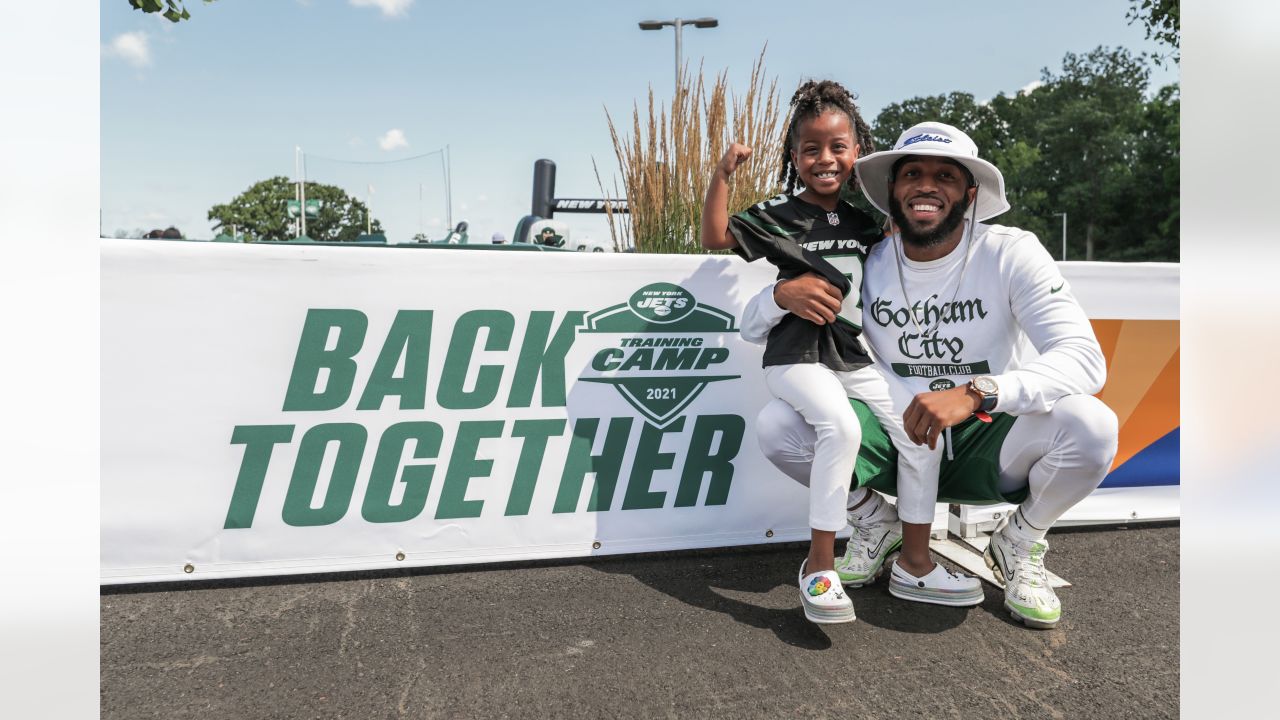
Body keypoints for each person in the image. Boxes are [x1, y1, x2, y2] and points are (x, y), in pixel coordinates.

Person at [742, 121, 1119, 628]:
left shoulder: (1011, 251)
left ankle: (1019, 541)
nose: (926, 186)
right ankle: (877, 524)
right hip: (901, 437)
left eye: (945, 175)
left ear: (969, 193)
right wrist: (777, 296)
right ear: (892, 191)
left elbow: (1083, 357)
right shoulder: (866, 261)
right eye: (911, 174)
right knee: (778, 425)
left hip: (989, 437)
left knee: (1091, 425)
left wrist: (980, 392)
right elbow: (765, 312)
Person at [701, 81, 980, 624]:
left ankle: (915, 560)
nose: (824, 159)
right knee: (841, 429)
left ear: (857, 152)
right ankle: (820, 565)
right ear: (793, 157)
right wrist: (722, 175)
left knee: (920, 430)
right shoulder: (780, 212)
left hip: (851, 357)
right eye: (810, 149)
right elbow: (715, 238)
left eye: (837, 147)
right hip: (796, 357)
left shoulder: (865, 221)